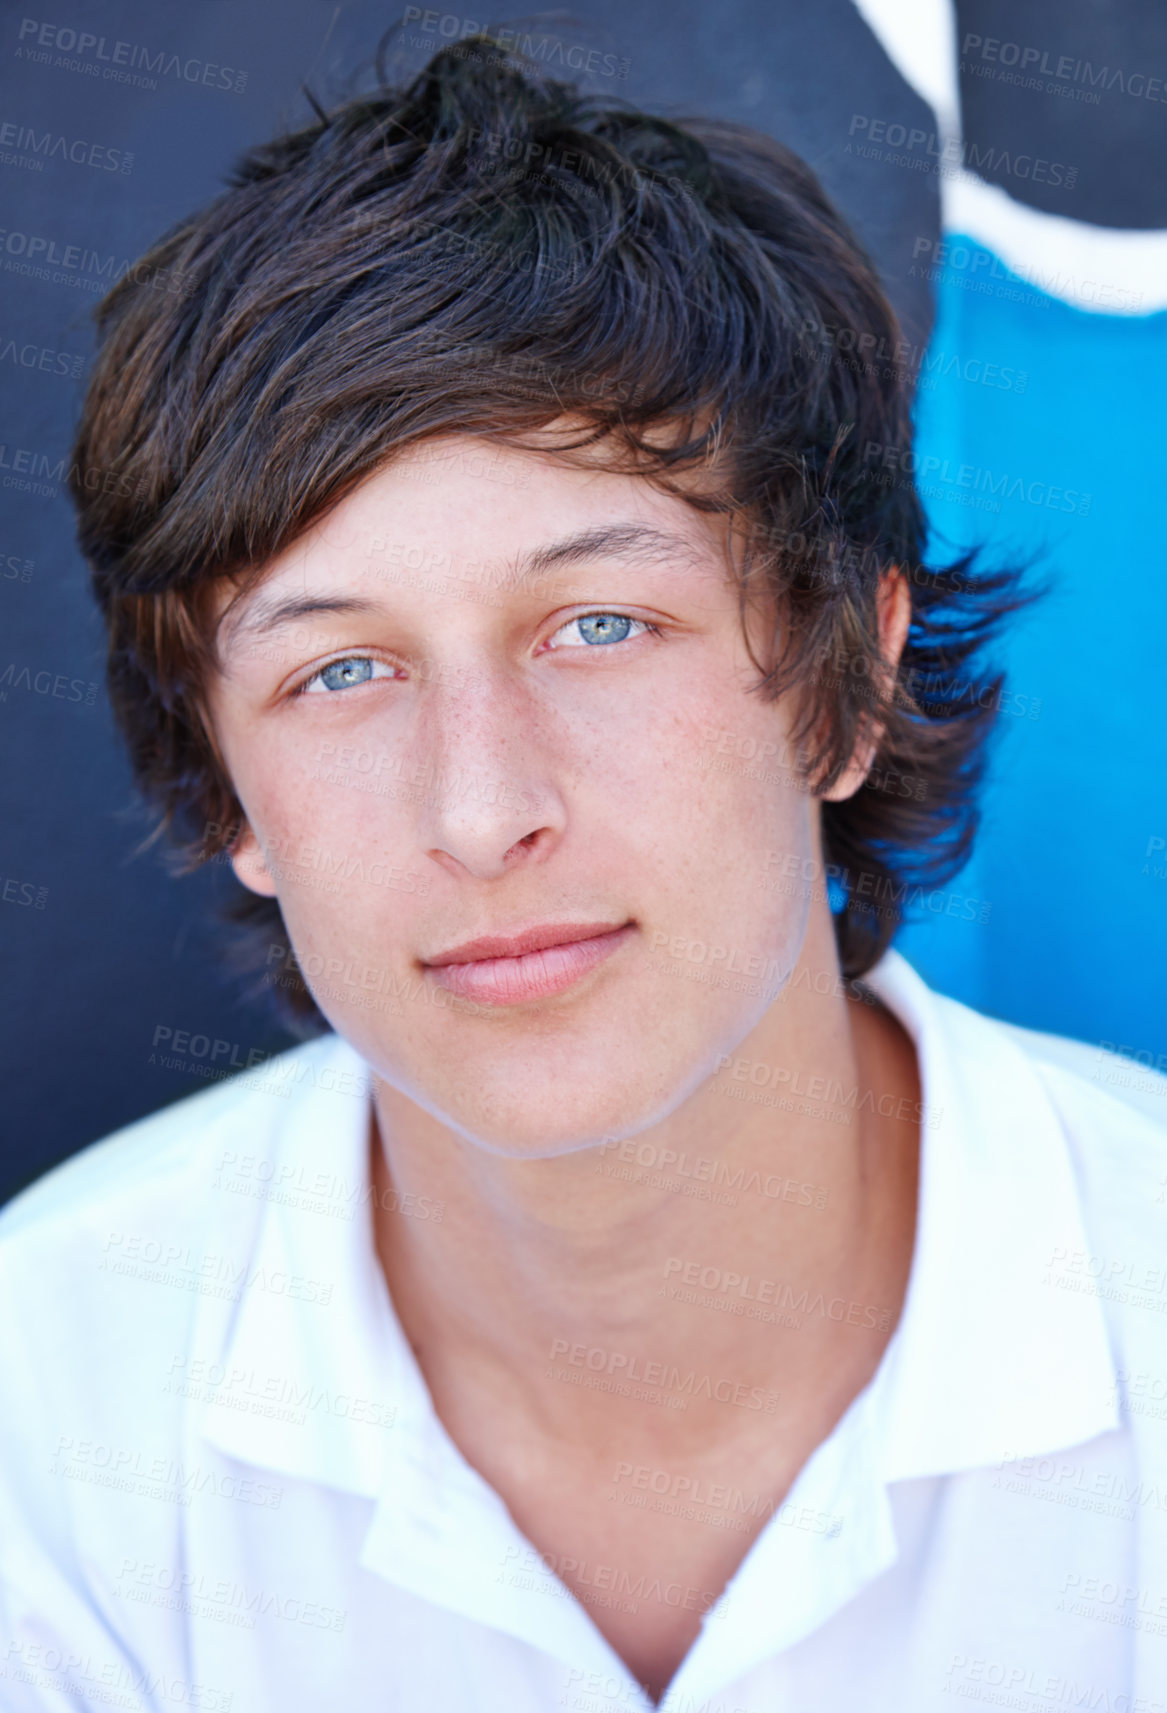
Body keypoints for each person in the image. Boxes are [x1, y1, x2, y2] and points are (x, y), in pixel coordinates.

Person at [1, 35, 1163, 1713]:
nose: (481, 810)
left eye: (600, 625)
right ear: (225, 783)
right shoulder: (50, 1407)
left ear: (848, 682)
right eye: (341, 671)